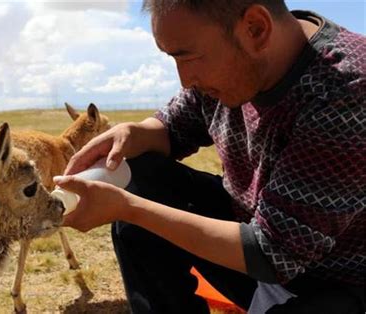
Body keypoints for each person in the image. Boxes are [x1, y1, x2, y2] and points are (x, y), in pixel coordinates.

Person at [53, 1, 365, 313]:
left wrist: (129, 209)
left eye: (187, 56)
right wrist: (134, 133)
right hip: (255, 244)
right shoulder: (237, 61)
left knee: (136, 207)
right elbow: (173, 127)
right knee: (138, 177)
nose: (185, 79)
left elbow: (275, 252)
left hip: (338, 279)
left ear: (256, 28)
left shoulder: (345, 89)